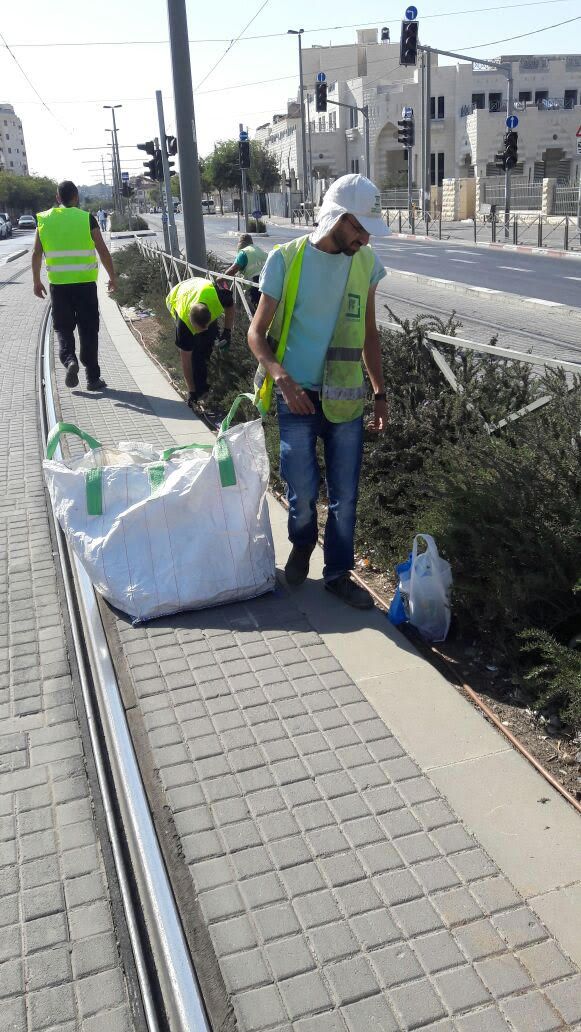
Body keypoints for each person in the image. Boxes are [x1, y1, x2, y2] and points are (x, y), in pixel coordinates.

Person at [248, 174, 389, 610]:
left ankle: (338, 574)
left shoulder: (366, 263)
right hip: (297, 397)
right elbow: (256, 333)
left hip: (346, 398)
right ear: (337, 219)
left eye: (368, 231)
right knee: (303, 490)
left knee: (346, 498)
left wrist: (381, 392)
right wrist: (282, 379)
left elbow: (368, 333)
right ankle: (302, 543)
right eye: (359, 229)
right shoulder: (285, 260)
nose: (365, 239)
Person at [32, 180, 116, 391]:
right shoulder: (87, 219)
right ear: (76, 197)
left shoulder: (44, 220)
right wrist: (112, 276)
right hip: (85, 285)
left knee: (63, 328)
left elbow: (36, 253)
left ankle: (69, 360)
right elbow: (103, 250)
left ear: (58, 198)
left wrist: (36, 281)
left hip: (59, 286)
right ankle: (93, 379)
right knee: (88, 329)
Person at [166, 276, 234, 408]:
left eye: (206, 325)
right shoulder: (183, 324)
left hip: (201, 287)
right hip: (178, 294)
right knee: (193, 352)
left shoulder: (219, 297)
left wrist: (227, 331)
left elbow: (231, 306)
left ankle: (204, 384)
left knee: (206, 344)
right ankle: (197, 389)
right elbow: (185, 361)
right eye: (198, 328)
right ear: (191, 322)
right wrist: (191, 391)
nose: (202, 330)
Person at [224, 233, 267, 311]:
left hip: (254, 286)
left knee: (255, 311)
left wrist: (221, 278)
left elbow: (233, 270)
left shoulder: (243, 253)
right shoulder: (259, 250)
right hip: (267, 284)